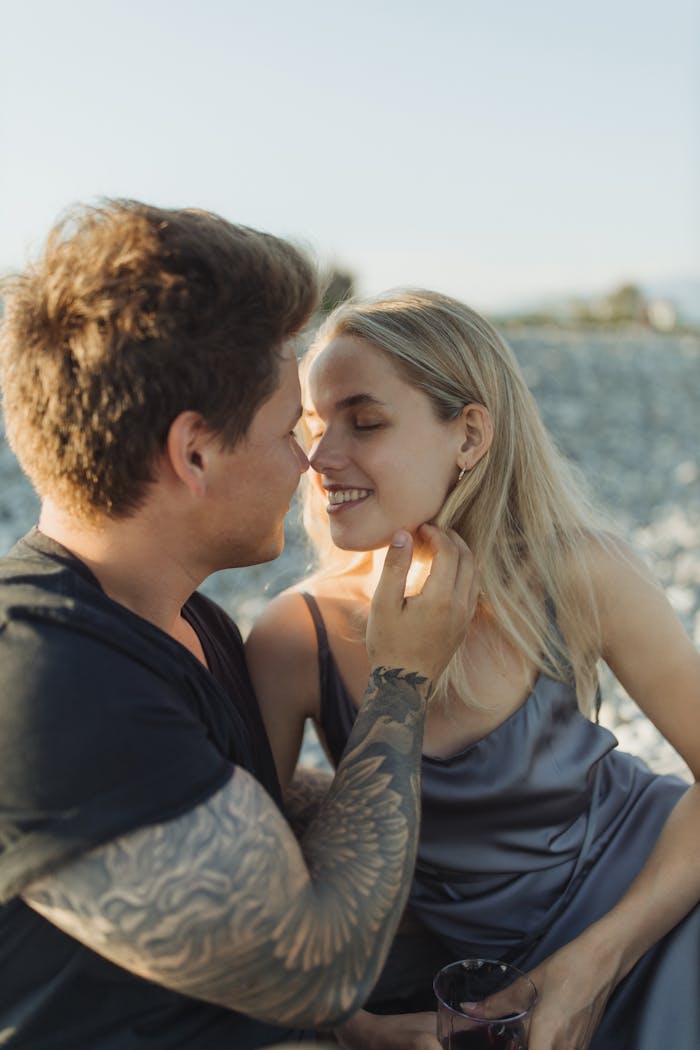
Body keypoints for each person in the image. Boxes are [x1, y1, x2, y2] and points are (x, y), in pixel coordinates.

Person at [0, 206, 474, 1049]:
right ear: (195, 453)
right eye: (290, 429)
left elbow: (239, 816)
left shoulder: (183, 618)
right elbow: (322, 968)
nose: (310, 461)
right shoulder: (52, 680)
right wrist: (401, 682)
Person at [246, 289, 700, 1050]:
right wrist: (352, 1026)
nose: (319, 460)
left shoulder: (580, 573)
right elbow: (249, 886)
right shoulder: (297, 638)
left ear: (470, 434)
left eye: (365, 422)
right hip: (488, 991)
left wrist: (594, 964)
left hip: (657, 906)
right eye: (315, 427)